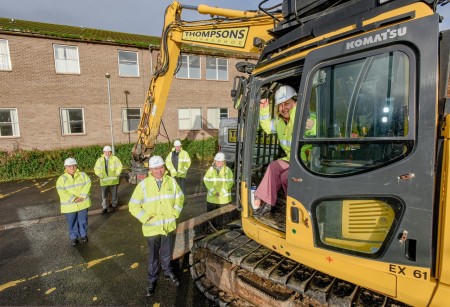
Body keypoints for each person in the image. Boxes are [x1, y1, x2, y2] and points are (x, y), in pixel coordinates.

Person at [253, 85, 315, 215]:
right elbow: (267, 128)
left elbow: (317, 128)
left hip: (306, 162)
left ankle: (295, 209)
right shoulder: (279, 121)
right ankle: (266, 202)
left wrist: (311, 125)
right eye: (280, 105)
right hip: (291, 159)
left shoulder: (305, 117)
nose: (283, 108)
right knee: (273, 166)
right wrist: (263, 110)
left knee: (286, 177)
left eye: (287, 103)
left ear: (295, 102)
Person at [128, 155, 184, 297]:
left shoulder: (171, 181)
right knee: (153, 256)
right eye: (155, 168)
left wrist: (175, 213)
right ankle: (152, 279)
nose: (159, 170)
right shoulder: (143, 185)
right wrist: (145, 218)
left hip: (168, 226)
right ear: (150, 170)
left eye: (161, 167)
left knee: (166, 253)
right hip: (152, 228)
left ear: (164, 167)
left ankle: (167, 271)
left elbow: (180, 197)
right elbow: (133, 205)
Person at [56, 158, 92, 246]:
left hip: (82, 203)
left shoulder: (83, 175)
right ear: (66, 167)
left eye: (73, 166)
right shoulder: (62, 179)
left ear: (76, 166)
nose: (72, 168)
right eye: (69, 166)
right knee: (72, 222)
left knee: (83, 220)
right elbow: (61, 191)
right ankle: (74, 237)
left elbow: (88, 183)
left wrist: (82, 196)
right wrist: (73, 199)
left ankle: (83, 235)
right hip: (70, 206)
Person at [94, 145, 123, 213]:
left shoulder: (115, 158)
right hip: (104, 181)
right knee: (104, 196)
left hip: (113, 180)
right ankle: (105, 207)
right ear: (103, 152)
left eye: (109, 152)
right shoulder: (100, 160)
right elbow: (96, 169)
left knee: (114, 194)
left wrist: (117, 173)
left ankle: (114, 206)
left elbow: (120, 166)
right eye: (106, 152)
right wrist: (101, 175)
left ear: (111, 152)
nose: (107, 153)